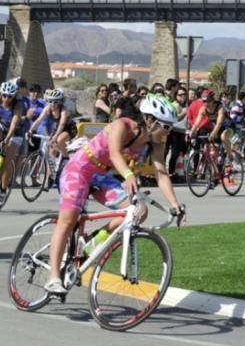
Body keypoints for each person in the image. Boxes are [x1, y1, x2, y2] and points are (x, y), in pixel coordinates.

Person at [43, 93, 186, 295]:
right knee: (68, 220)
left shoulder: (155, 142)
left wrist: (175, 205)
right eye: (165, 126)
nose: (167, 133)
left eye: (170, 128)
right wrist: (127, 174)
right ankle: (53, 278)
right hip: (80, 168)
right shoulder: (123, 126)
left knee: (139, 211)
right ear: (150, 120)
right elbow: (114, 153)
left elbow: (161, 173)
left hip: (101, 176)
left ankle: (92, 242)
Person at [28, 88, 75, 159]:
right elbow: (38, 120)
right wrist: (31, 130)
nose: (52, 104)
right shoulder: (47, 108)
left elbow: (62, 124)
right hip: (57, 128)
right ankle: (54, 168)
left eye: (55, 102)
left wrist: (55, 137)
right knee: (51, 152)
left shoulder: (63, 110)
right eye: (50, 101)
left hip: (69, 128)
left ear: (60, 102)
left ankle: (67, 160)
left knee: (59, 140)